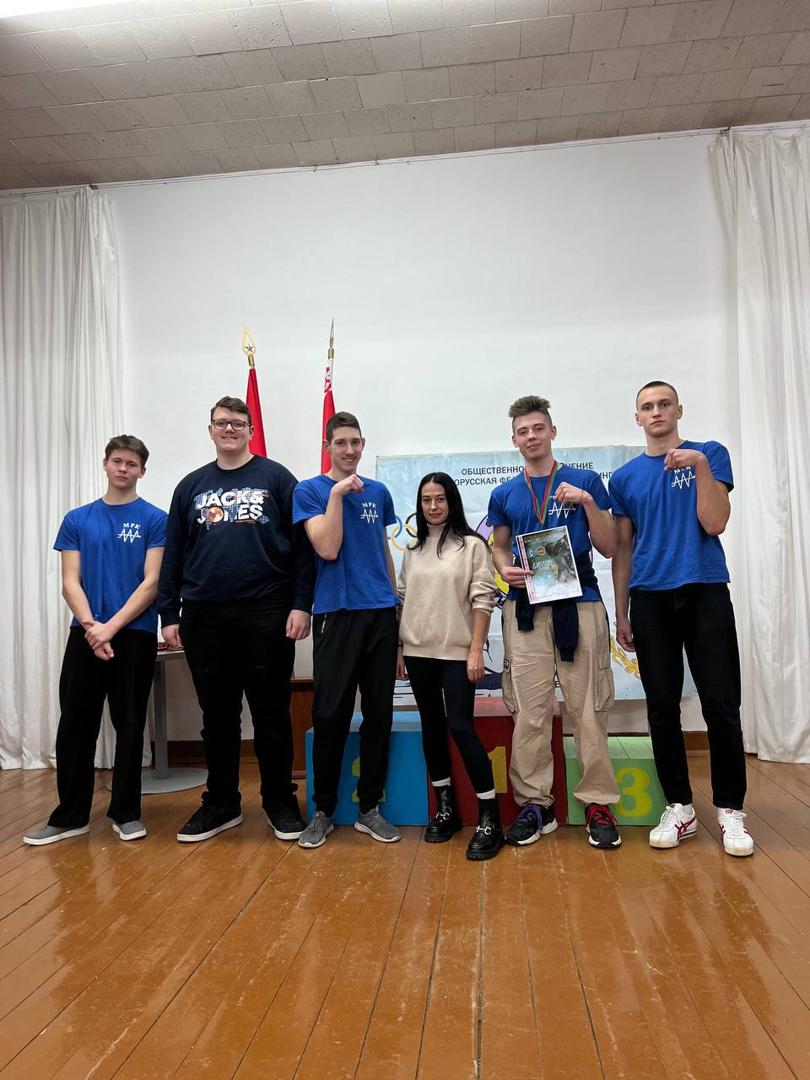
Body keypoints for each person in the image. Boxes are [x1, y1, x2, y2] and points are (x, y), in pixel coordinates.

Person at [158, 396, 314, 844]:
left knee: (271, 714)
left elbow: (303, 550)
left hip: (267, 612)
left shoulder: (278, 478)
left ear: (250, 430)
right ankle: (222, 803)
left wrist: (301, 604)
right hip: (204, 615)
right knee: (217, 716)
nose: (229, 429)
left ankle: (280, 801)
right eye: (221, 423)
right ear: (210, 429)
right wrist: (170, 613)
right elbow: (174, 553)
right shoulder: (190, 487)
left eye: (237, 423)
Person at [610, 381, 752, 857]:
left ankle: (730, 809)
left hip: (704, 590)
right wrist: (622, 610)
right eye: (647, 407)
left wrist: (702, 467)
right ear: (637, 418)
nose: (656, 413)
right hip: (650, 598)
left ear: (678, 410)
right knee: (661, 707)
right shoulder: (626, 478)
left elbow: (715, 523)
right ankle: (680, 806)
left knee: (720, 703)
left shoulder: (709, 453)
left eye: (663, 404)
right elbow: (622, 549)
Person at [488, 396, 622, 850]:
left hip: (579, 603)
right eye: (523, 431)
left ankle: (598, 803)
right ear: (514, 439)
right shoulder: (505, 493)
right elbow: (499, 548)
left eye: (538, 428)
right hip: (525, 608)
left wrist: (586, 502)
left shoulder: (584, 481)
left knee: (589, 709)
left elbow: (608, 546)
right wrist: (503, 569)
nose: (531, 437)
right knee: (529, 712)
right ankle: (534, 804)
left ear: (552, 431)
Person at [24, 436, 166, 846]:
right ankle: (70, 815)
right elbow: (70, 581)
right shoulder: (77, 519)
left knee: (130, 724)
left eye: (132, 463)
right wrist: (91, 627)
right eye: (117, 461)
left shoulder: (155, 519)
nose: (124, 469)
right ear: (105, 464)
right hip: (85, 636)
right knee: (75, 726)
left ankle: (126, 812)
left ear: (142, 471)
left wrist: (110, 628)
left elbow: (151, 582)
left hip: (134, 635)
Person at [293, 411, 400, 848]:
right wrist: (337, 494)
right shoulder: (311, 491)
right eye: (341, 443)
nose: (350, 450)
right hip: (336, 614)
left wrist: (396, 610)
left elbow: (384, 554)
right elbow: (328, 547)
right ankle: (321, 810)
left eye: (356, 442)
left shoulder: (379, 491)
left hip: (380, 614)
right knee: (330, 714)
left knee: (379, 714)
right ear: (328, 446)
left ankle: (369, 808)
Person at [397, 472, 503, 860]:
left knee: (460, 725)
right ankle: (447, 810)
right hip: (418, 652)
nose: (433, 506)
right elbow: (403, 598)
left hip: (458, 653)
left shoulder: (472, 546)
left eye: (440, 499)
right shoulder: (413, 548)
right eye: (426, 500)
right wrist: (399, 647)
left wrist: (476, 650)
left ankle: (489, 816)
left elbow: (483, 600)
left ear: (451, 501)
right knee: (432, 726)